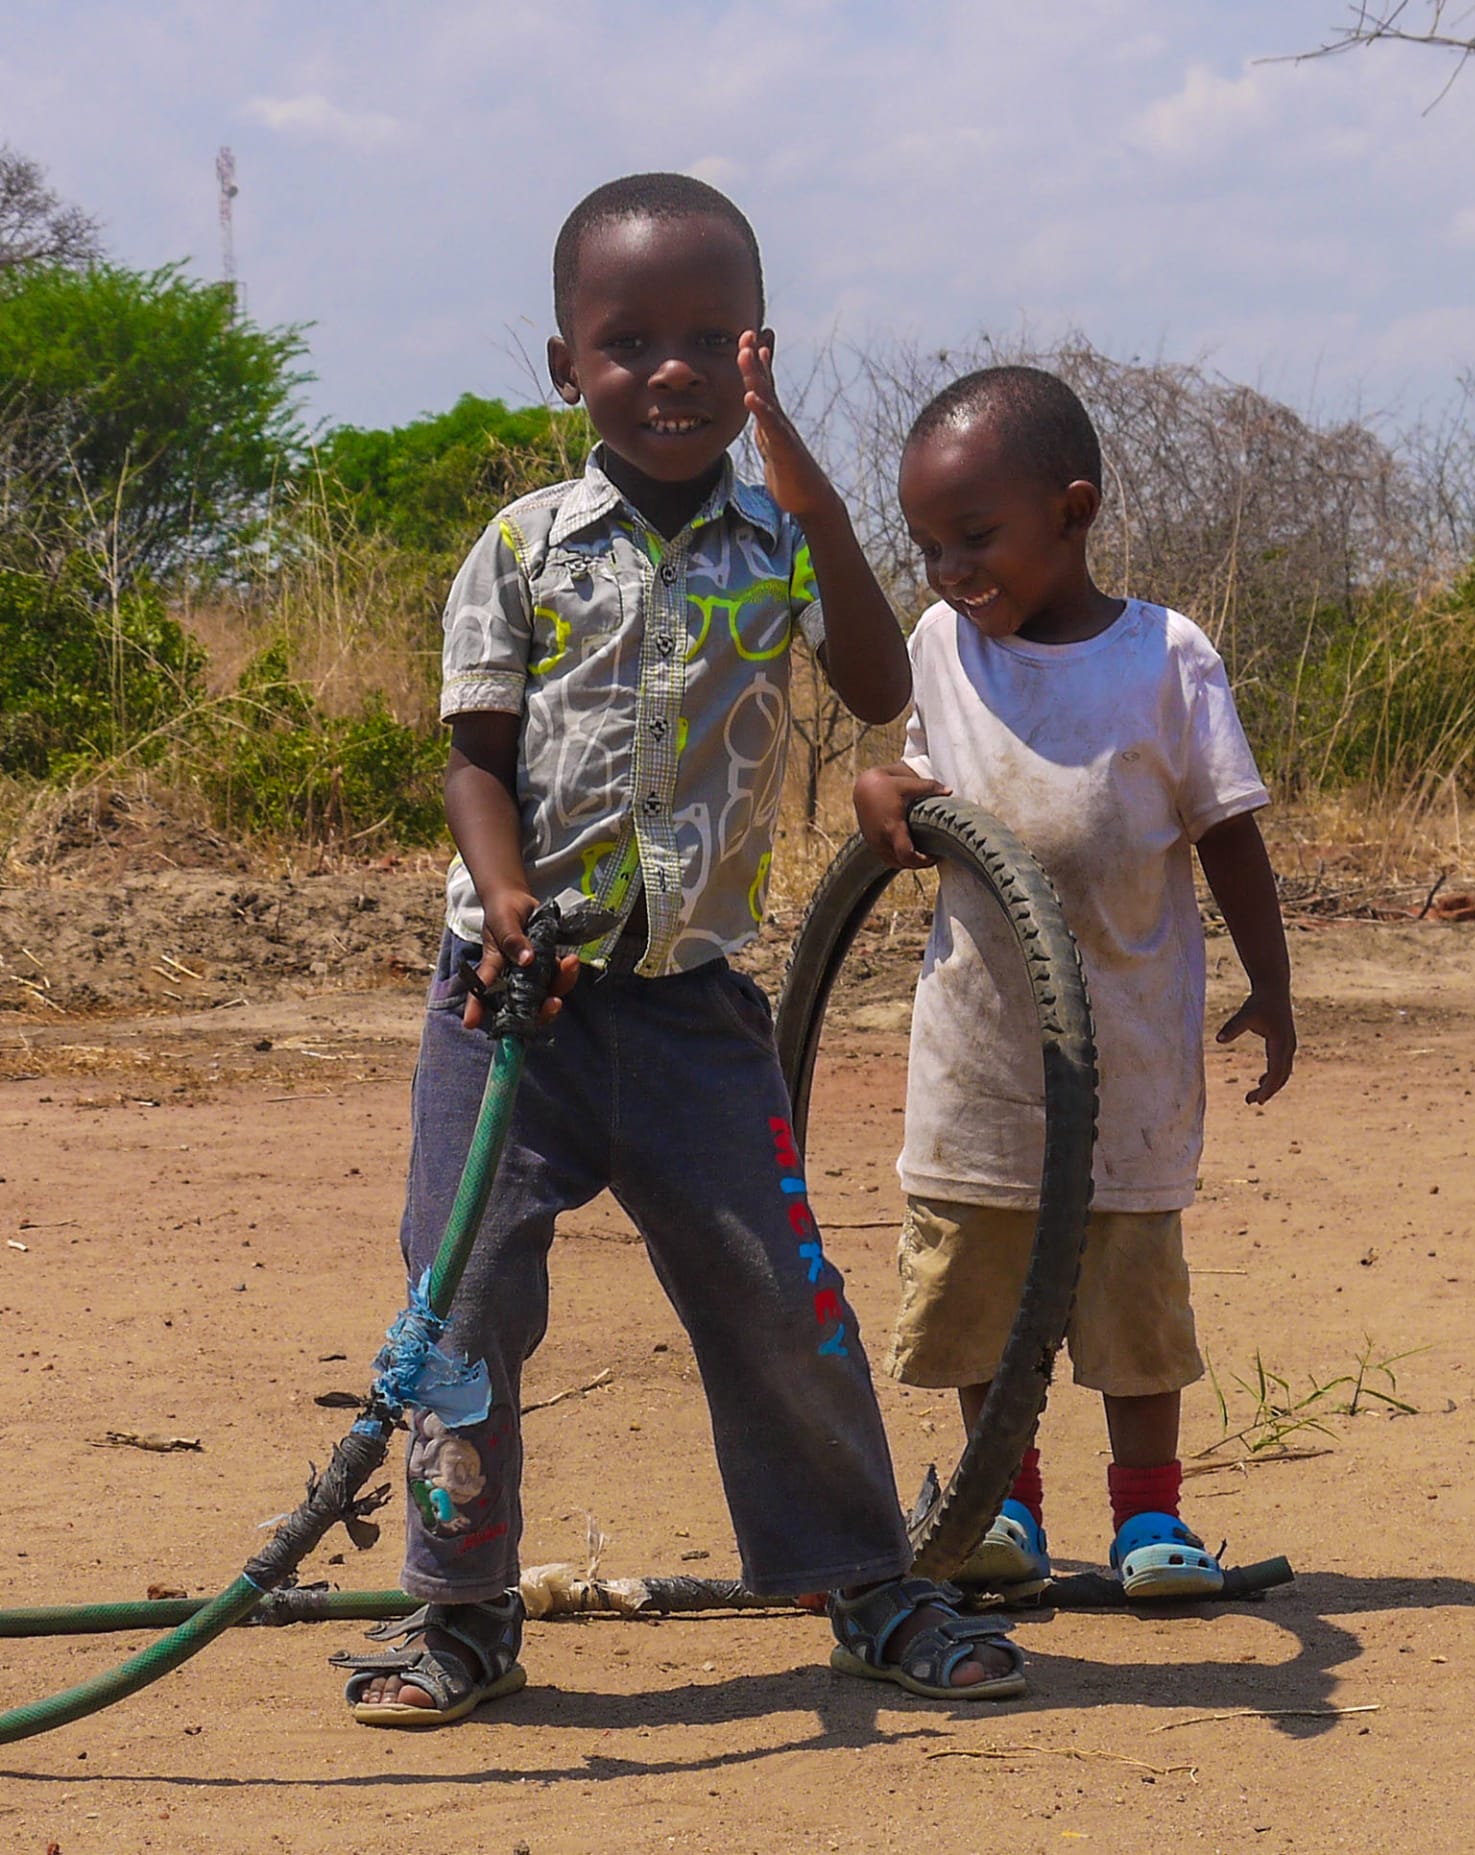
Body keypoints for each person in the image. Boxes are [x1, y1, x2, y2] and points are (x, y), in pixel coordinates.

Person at [336, 175, 1029, 1728]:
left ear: (758, 357)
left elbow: (866, 677)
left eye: (709, 339)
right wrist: (502, 893)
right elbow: (473, 753)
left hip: (695, 1010)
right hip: (512, 1006)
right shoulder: (520, 545)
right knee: (462, 1308)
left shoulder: (777, 543)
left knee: (781, 1294)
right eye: (627, 339)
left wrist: (823, 501)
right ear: (565, 364)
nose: (670, 370)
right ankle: (458, 1612)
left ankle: (865, 1580)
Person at [852, 364, 1298, 1604]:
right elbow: (915, 788)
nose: (950, 569)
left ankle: (1149, 1520)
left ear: (1074, 509)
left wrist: (1271, 982)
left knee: (1128, 1284)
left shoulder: (1165, 655)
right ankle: (1004, 1508)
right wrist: (878, 793)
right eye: (928, 544)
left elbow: (1229, 832)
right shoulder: (943, 647)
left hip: (1128, 1047)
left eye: (978, 537)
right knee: (978, 1276)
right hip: (981, 1049)